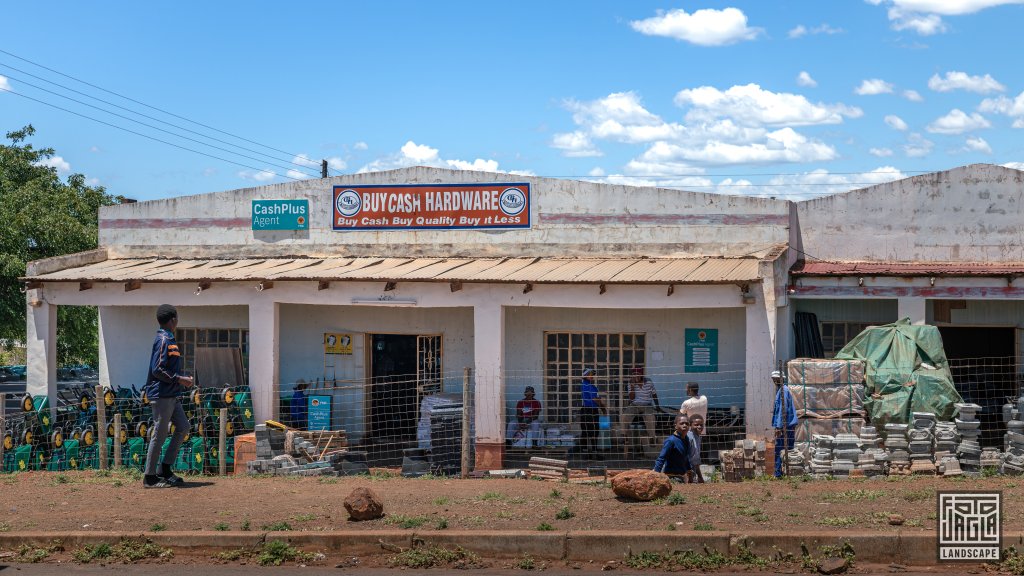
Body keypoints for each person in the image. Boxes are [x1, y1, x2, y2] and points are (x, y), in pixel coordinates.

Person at [142, 304, 193, 488]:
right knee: (159, 435)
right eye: (177, 318)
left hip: (171, 394)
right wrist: (180, 379)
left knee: (183, 427)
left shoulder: (168, 339)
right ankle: (150, 477)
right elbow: (157, 370)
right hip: (162, 394)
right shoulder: (163, 340)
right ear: (173, 320)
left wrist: (179, 381)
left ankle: (165, 469)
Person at [620, 366, 660, 447]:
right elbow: (631, 398)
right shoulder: (630, 382)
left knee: (650, 417)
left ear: (641, 374)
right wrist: (632, 387)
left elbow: (654, 394)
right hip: (635, 405)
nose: (635, 376)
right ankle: (625, 436)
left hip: (647, 405)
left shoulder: (648, 382)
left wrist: (657, 406)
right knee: (624, 416)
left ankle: (652, 438)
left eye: (637, 374)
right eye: (634, 374)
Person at [772, 370, 798, 478]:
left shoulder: (783, 391)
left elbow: (783, 410)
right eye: (773, 379)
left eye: (775, 379)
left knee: (779, 449)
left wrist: (779, 426)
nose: (774, 381)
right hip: (787, 425)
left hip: (785, 426)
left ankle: (778, 474)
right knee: (788, 448)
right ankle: (788, 472)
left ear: (781, 379)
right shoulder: (781, 390)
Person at [653, 414, 692, 482]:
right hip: (672, 477)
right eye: (682, 423)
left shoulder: (686, 439)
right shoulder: (671, 441)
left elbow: (686, 457)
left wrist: (689, 472)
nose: (685, 425)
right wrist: (655, 475)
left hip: (682, 476)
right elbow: (662, 458)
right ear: (675, 426)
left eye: (687, 423)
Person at [578, 368, 607, 457]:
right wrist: (603, 408)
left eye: (592, 374)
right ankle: (588, 451)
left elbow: (596, 398)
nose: (592, 376)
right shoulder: (587, 385)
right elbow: (596, 399)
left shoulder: (590, 385)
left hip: (590, 409)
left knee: (590, 430)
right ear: (585, 376)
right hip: (589, 409)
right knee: (590, 430)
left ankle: (590, 451)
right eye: (590, 374)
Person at [687, 415, 705, 483]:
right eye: (696, 425)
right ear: (690, 425)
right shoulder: (689, 437)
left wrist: (700, 476)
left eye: (701, 425)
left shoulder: (698, 437)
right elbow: (688, 459)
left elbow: (695, 460)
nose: (699, 427)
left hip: (692, 471)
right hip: (686, 472)